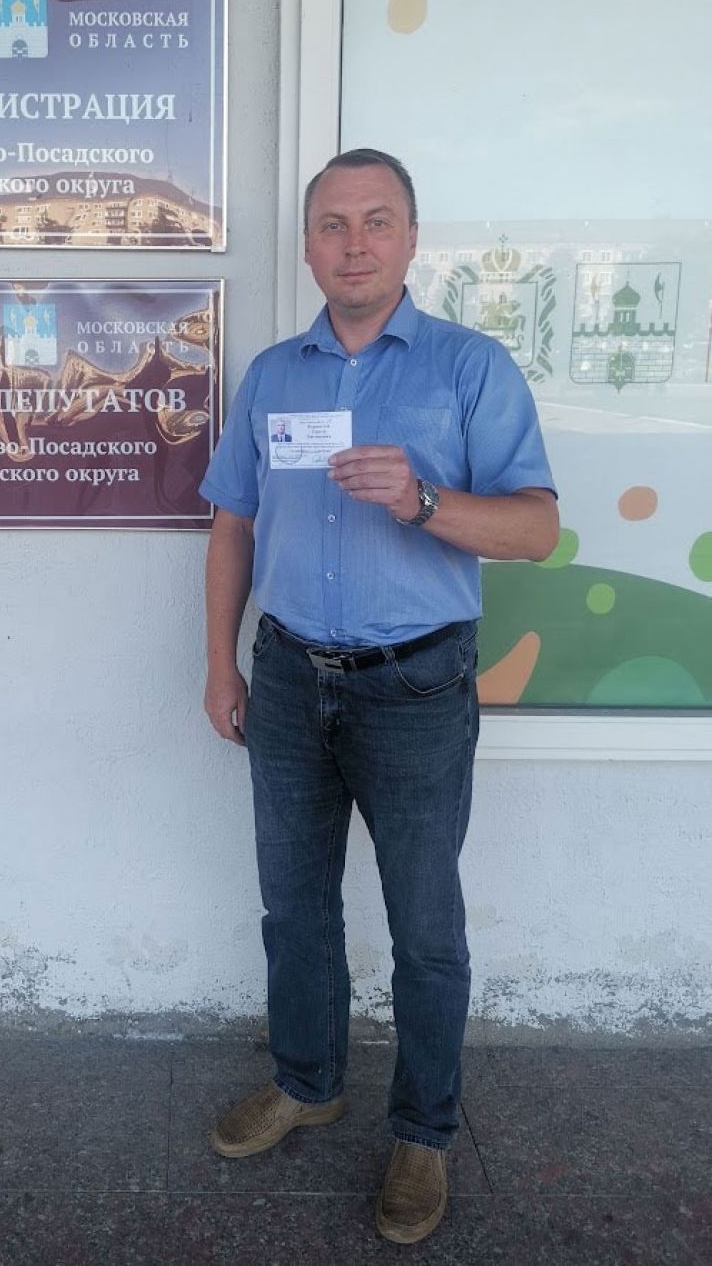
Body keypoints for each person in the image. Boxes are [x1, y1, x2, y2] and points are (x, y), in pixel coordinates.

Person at [199, 148, 558, 1246]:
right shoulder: (273, 375)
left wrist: (423, 499)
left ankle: (423, 1130)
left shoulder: (469, 367)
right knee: (294, 907)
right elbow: (232, 524)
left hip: (416, 684)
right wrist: (221, 662)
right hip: (288, 677)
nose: (354, 243)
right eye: (333, 223)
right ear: (308, 244)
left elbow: (537, 528)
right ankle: (307, 1081)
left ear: (409, 238)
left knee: (425, 926)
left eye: (377, 221)